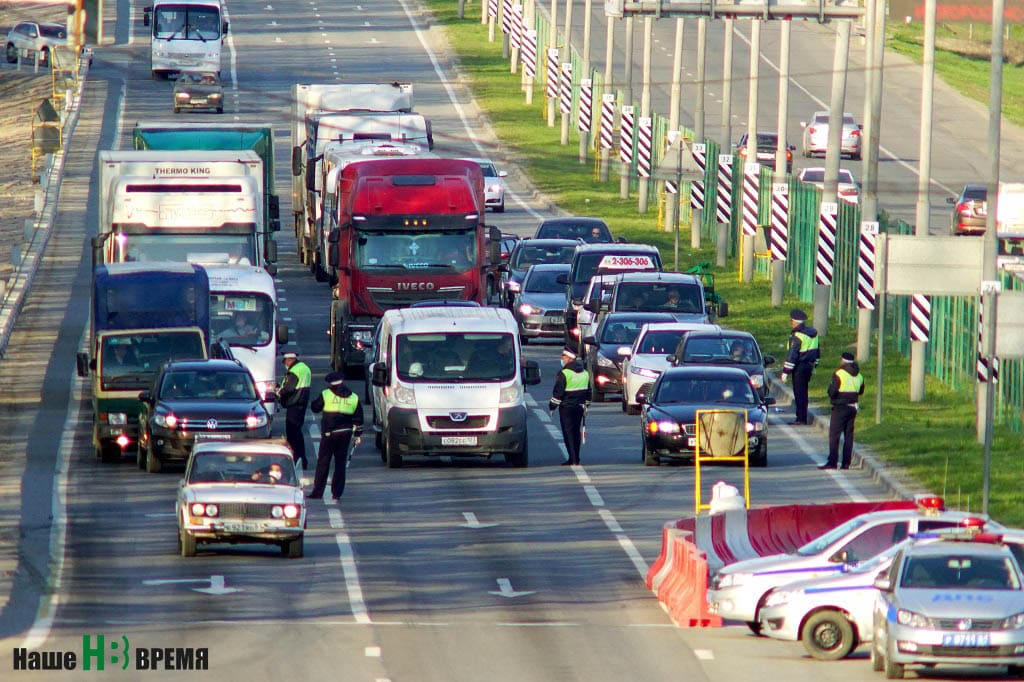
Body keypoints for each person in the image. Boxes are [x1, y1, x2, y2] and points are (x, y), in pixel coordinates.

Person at [308, 372, 363, 501]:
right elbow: (359, 418)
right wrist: (358, 434)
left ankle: (318, 492)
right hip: (346, 433)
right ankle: (337, 493)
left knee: (323, 462)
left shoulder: (326, 394)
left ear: (330, 382)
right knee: (340, 463)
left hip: (329, 433)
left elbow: (315, 407)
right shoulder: (353, 397)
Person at [821, 352, 865, 470]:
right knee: (849, 435)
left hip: (840, 407)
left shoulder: (839, 373)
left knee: (834, 435)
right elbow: (861, 391)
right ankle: (846, 463)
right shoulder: (859, 375)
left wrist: (833, 396)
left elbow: (832, 391)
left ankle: (832, 462)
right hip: (852, 407)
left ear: (843, 361)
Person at [549, 347, 590, 465]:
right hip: (580, 407)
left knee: (568, 433)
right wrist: (586, 405)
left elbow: (558, 394)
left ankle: (573, 459)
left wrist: (552, 406)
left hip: (567, 408)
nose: (562, 359)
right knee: (576, 432)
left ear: (569, 358)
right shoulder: (585, 373)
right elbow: (589, 392)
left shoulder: (564, 373)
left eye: (563, 356)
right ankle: (576, 456)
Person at [779, 309, 819, 425]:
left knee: (799, 393)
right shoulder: (813, 333)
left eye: (791, 321)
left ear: (795, 322)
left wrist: (785, 372)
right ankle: (803, 416)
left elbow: (793, 355)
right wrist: (815, 365)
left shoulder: (798, 336)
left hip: (800, 367)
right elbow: (817, 351)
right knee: (804, 392)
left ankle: (800, 418)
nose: (791, 323)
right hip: (809, 366)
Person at [277, 351, 311, 468]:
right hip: (301, 403)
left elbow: (288, 388)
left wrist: (278, 392)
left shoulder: (294, 371)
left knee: (293, 434)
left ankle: (297, 459)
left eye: (284, 361)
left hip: (294, 404)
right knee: (297, 433)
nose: (284, 363)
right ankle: (301, 459)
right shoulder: (303, 368)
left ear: (289, 360)